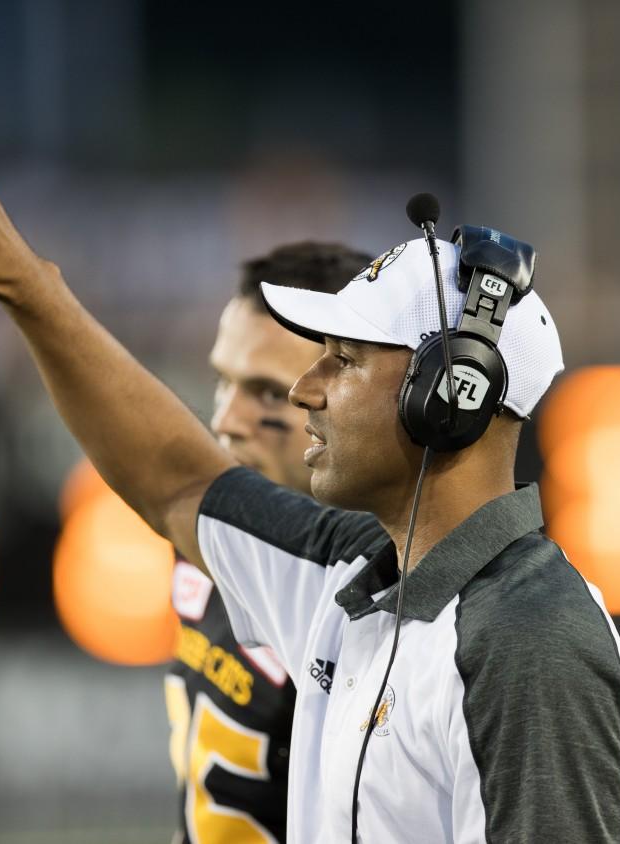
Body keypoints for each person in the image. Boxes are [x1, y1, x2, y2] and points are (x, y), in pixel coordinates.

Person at [0, 76, 620, 843]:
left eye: (346, 361)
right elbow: (175, 479)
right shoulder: (353, 574)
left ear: (450, 395)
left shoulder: (530, 639)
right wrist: (28, 289)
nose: (305, 389)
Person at [165, 241, 372, 843]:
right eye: (221, 382)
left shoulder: (382, 596)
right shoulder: (210, 534)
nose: (225, 421)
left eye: (263, 392)